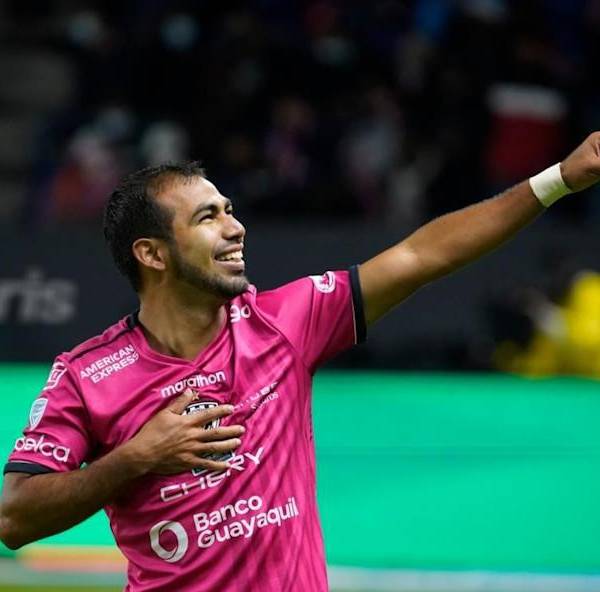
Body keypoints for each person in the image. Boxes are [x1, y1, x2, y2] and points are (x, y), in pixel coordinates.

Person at [1, 134, 600, 591]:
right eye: (208, 217)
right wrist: (137, 458)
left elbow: (421, 256)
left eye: (229, 209)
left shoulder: (287, 323)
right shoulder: (87, 375)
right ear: (152, 254)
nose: (236, 228)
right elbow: (14, 517)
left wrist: (558, 180)